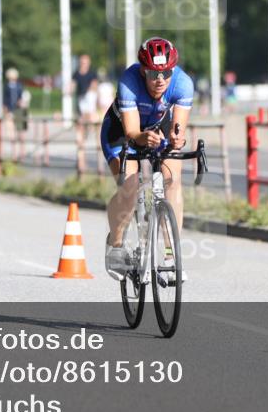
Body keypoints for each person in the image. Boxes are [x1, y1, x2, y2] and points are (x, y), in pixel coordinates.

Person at [99, 37, 193, 280]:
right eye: (153, 74)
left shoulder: (183, 84)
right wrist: (143, 137)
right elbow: (132, 132)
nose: (160, 80)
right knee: (130, 187)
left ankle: (171, 254)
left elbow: (179, 127)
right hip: (122, 133)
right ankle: (116, 244)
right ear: (143, 70)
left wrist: (176, 138)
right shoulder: (129, 82)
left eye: (166, 73)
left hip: (156, 128)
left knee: (172, 178)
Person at [72, 54, 99, 173]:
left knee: (96, 135)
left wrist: (89, 96)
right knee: (80, 137)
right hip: (80, 107)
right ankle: (81, 162)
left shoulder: (92, 74)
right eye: (82, 62)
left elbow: (94, 86)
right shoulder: (76, 74)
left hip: (89, 106)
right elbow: (72, 86)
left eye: (85, 62)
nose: (84, 64)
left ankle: (99, 166)